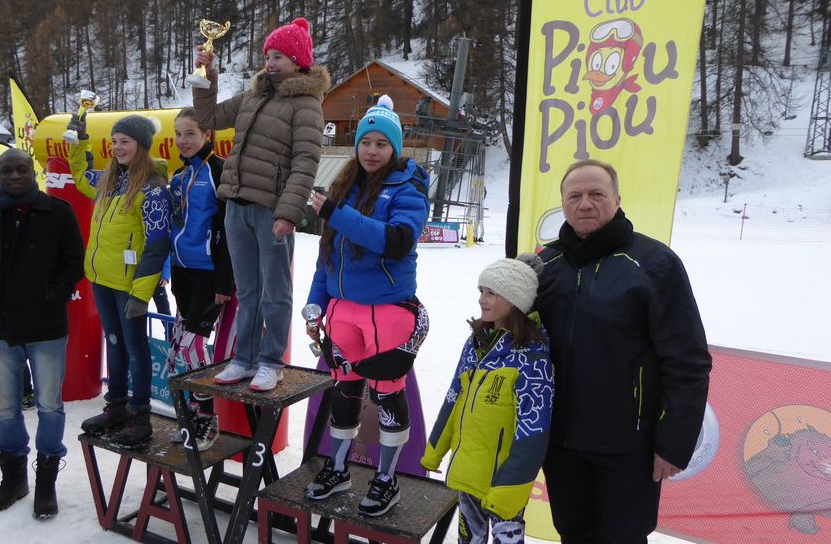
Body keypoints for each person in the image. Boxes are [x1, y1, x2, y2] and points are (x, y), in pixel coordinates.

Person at [535, 159, 712, 544]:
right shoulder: (544, 265)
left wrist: (674, 443)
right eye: (574, 196)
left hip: (629, 446)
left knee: (624, 537)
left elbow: (688, 361)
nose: (585, 203)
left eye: (596, 194)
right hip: (560, 443)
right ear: (563, 203)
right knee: (572, 533)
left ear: (617, 199)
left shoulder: (654, 263)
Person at [302, 96, 430, 517]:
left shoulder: (408, 187)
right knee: (345, 391)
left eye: (382, 143)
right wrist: (315, 304)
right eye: (366, 142)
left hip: (386, 313)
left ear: (395, 148)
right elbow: (327, 257)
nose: (372, 151)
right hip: (343, 312)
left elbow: (397, 242)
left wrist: (337, 214)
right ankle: (338, 469)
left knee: (388, 394)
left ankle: (387, 479)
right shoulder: (346, 185)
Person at [194, 17, 330, 391]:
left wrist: (289, 212)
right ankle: (244, 358)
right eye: (268, 55)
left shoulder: (306, 104)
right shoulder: (254, 94)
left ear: (298, 61)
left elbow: (306, 162)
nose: (270, 63)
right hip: (237, 204)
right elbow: (208, 118)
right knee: (248, 290)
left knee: (276, 292)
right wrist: (206, 76)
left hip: (272, 210)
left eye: (279, 57)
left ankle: (272, 361)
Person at [0, 147, 84, 519]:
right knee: (6, 407)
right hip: (1, 323)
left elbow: (73, 261)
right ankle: (13, 479)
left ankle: (46, 482)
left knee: (49, 406)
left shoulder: (57, 211)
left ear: (33, 171)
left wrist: (53, 293)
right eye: (8, 170)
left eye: (22, 169)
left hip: (46, 325)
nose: (15, 176)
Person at [422, 255, 554, 544]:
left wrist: (511, 487)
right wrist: (434, 449)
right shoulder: (476, 342)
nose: (482, 299)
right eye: (481, 290)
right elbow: (453, 397)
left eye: (492, 292)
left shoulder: (532, 358)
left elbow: (533, 432)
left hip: (502, 482)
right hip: (467, 472)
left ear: (515, 300)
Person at [68, 113, 172, 449]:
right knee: (114, 343)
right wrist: (79, 142)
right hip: (102, 278)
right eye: (114, 142)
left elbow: (157, 245)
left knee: (136, 349)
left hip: (130, 285)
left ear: (141, 145)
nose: (117, 148)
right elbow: (81, 177)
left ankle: (140, 417)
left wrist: (141, 294)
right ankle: (116, 407)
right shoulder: (109, 180)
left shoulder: (153, 189)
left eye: (124, 141)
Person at [166, 107, 234, 451]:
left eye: (190, 133)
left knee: (192, 346)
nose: (183, 140)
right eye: (178, 134)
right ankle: (193, 414)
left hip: (209, 274)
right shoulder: (179, 175)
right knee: (181, 344)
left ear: (208, 134)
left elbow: (230, 229)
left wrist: (224, 282)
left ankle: (208, 416)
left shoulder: (220, 171)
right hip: (183, 270)